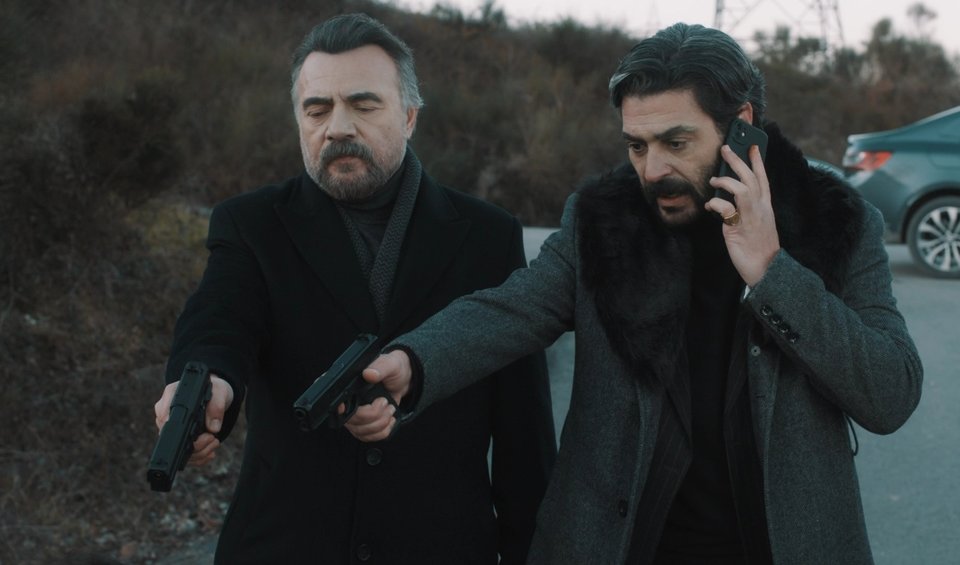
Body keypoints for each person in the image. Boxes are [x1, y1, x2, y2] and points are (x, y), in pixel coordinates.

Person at [352, 22, 923, 565]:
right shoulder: (603, 221)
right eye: (637, 145)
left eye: (676, 142)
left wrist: (772, 272)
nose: (652, 170)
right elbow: (513, 307)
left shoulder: (837, 222)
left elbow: (890, 394)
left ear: (741, 125)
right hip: (620, 544)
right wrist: (414, 362)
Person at [152, 13, 556, 565]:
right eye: (317, 109)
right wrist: (205, 382)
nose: (337, 127)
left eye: (363, 105)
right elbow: (219, 318)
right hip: (284, 546)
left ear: (409, 116)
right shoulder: (252, 224)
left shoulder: (488, 235)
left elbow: (522, 432)